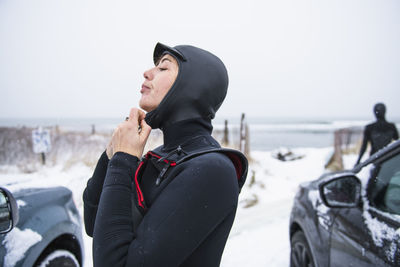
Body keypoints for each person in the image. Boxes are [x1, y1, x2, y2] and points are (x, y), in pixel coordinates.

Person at [83, 43, 248, 267]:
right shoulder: (161, 157)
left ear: (193, 86)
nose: (147, 72)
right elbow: (94, 225)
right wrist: (112, 155)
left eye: (163, 68)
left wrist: (123, 161)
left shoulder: (212, 170)